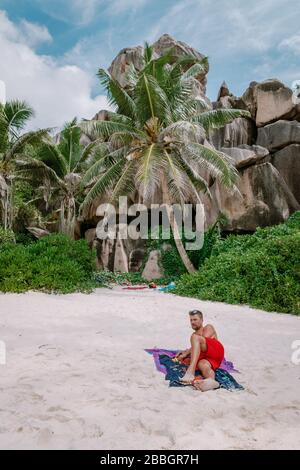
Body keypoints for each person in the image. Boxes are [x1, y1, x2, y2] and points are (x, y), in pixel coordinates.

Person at [176, 310, 224, 391]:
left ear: (201, 320)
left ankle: (190, 372)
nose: (192, 322)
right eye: (191, 320)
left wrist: (186, 353)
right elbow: (196, 348)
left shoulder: (208, 327)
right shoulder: (194, 336)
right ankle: (211, 381)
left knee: (195, 337)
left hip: (216, 350)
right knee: (202, 364)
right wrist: (184, 353)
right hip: (210, 359)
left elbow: (203, 340)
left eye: (195, 319)